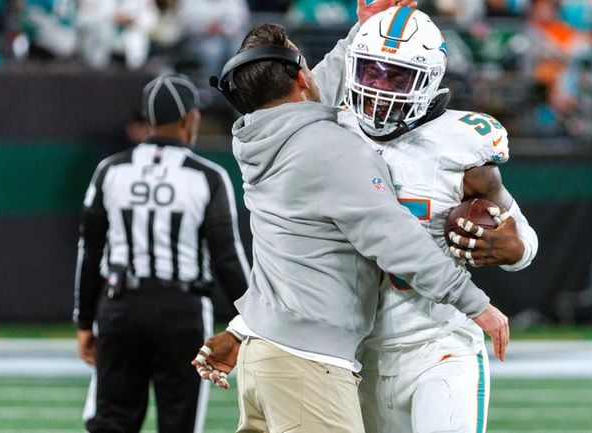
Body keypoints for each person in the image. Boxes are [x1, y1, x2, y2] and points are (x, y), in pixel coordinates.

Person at [193, 2, 509, 432]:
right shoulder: (331, 148)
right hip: (309, 363)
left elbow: (307, 94)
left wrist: (362, 31)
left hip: (261, 354)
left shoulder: (257, 136)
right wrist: (476, 304)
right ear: (301, 77)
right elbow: (395, 238)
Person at [336, 7, 538, 433]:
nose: (379, 88)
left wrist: (513, 247)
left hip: (438, 345)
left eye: (397, 77)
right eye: (371, 71)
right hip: (354, 354)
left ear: (427, 82)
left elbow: (522, 237)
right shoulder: (330, 131)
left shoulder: (458, 146)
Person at [74, 74, 250, 433]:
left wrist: (84, 321)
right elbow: (227, 259)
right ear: (190, 119)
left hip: (121, 305)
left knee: (111, 422)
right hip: (180, 311)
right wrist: (251, 323)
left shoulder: (110, 170)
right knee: (178, 423)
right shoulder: (207, 176)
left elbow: (90, 251)